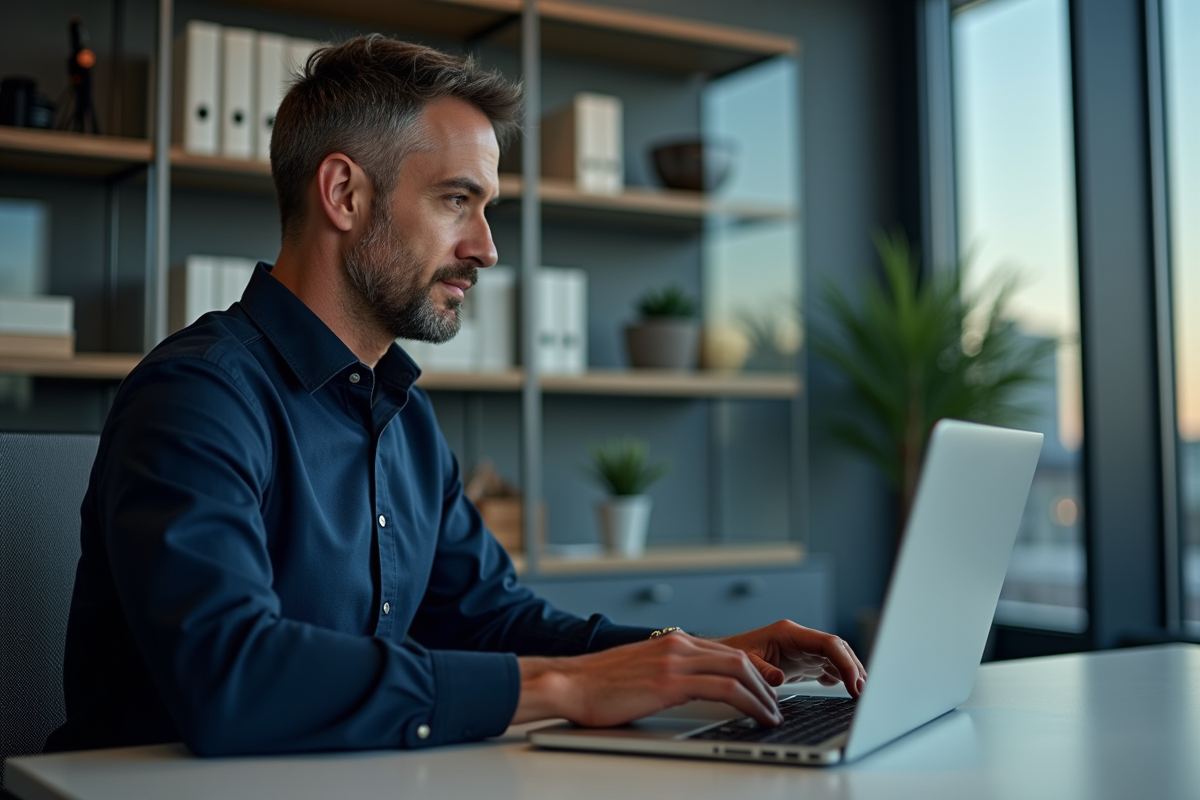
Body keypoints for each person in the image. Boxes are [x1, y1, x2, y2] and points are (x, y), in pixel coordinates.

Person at [46, 35, 865, 757]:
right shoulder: (197, 395)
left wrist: (687, 655)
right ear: (344, 194)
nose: (487, 248)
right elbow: (232, 677)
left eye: (487, 208)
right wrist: (560, 689)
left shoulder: (402, 413)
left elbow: (489, 619)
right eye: (456, 201)